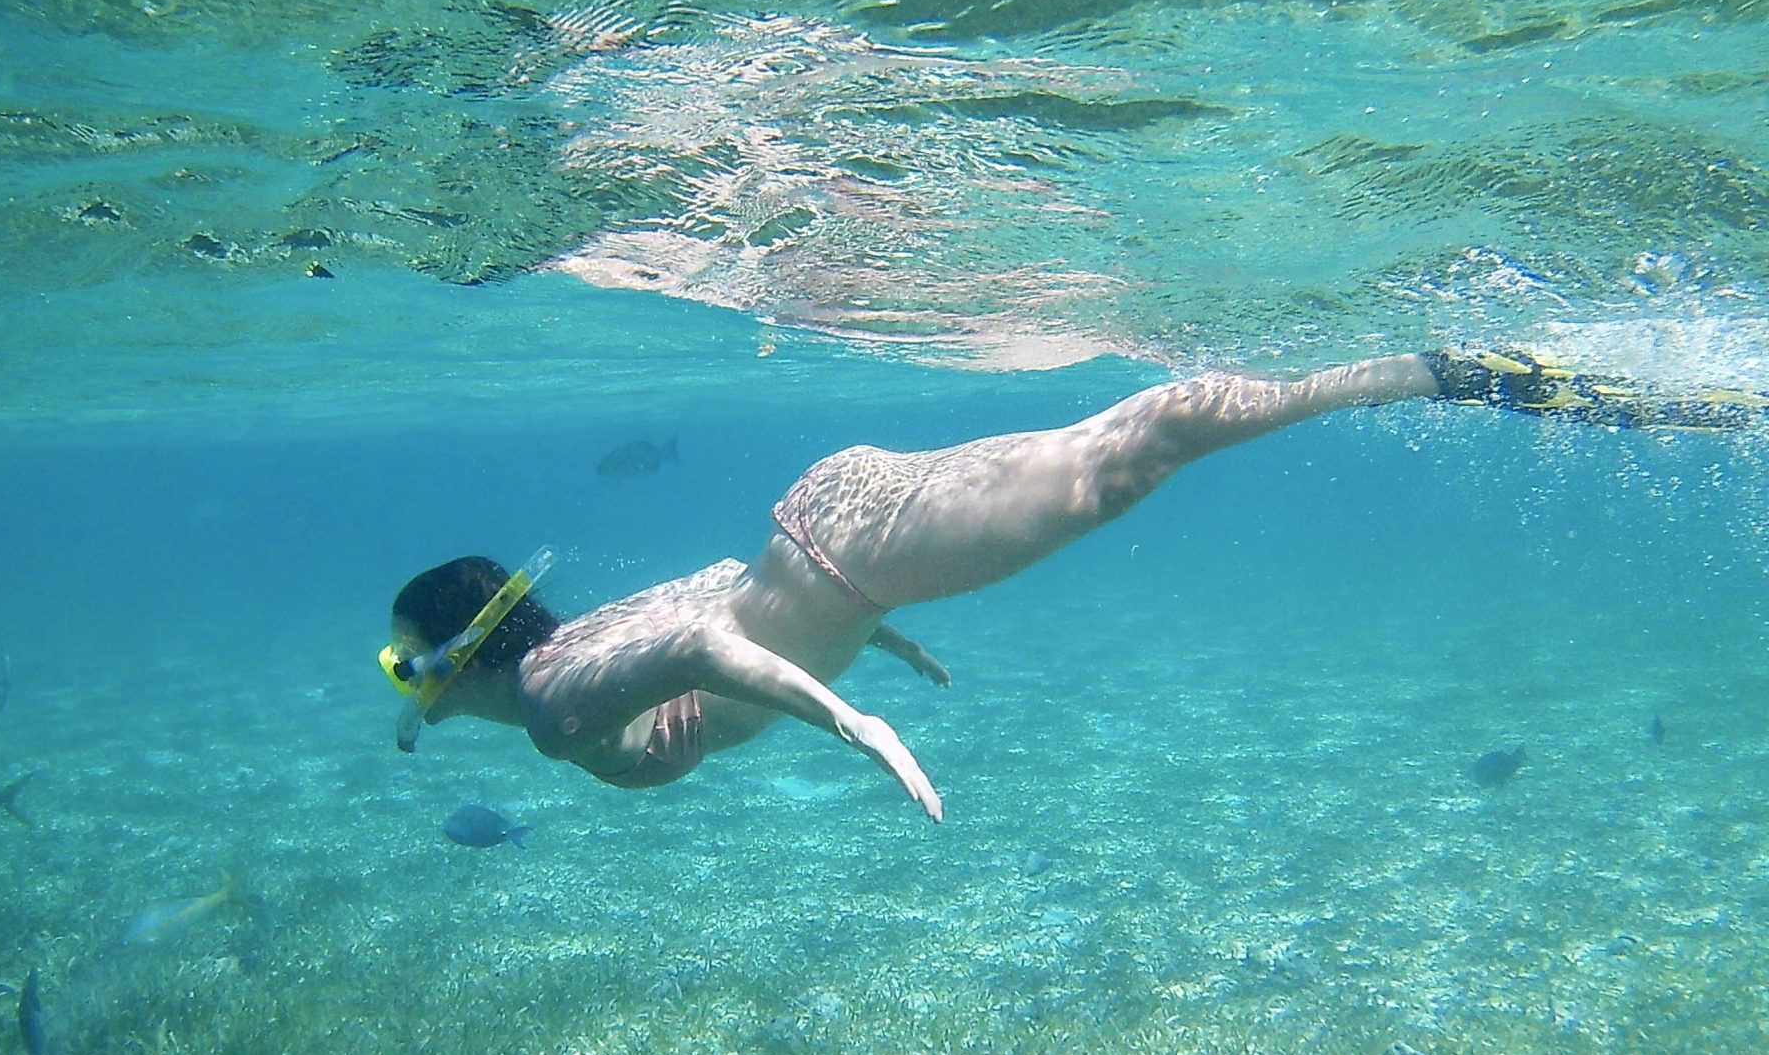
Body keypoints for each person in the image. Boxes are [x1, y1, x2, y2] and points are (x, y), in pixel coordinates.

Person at [382, 346, 1767, 822]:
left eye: (400, 666)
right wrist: (873, 640)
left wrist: (857, 725)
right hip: (832, 539)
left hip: (848, 549)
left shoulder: (558, 709)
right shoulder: (569, 659)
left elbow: (720, 649)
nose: (402, 691)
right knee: (1122, 451)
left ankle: (1446, 374)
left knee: (1133, 452)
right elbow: (709, 604)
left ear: (452, 661)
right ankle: (1456, 375)